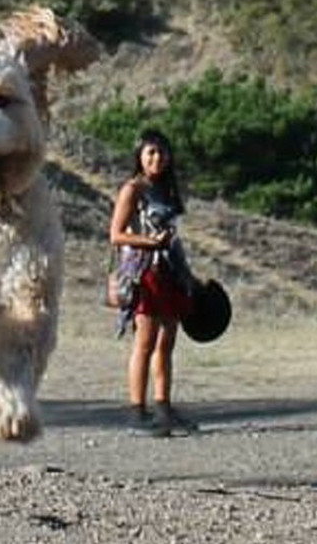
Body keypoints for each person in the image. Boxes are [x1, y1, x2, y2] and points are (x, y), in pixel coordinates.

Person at [108, 129, 197, 437]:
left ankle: (163, 407)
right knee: (144, 342)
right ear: (140, 157)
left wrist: (189, 275)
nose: (157, 158)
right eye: (150, 153)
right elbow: (116, 234)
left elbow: (174, 237)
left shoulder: (167, 190)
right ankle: (137, 411)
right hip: (143, 272)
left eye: (161, 153)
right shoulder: (133, 189)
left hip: (169, 271)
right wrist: (149, 241)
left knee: (167, 341)